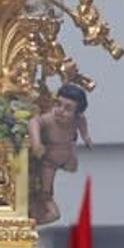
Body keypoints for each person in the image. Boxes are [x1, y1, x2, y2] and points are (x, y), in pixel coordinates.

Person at [29, 82, 90, 226]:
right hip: (48, 163)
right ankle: (30, 222)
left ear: (76, 113)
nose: (61, 110)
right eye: (58, 104)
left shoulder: (77, 120)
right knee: (47, 198)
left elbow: (82, 123)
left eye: (68, 108)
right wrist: (36, 143)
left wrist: (86, 137)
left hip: (67, 160)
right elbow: (33, 122)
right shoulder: (49, 120)